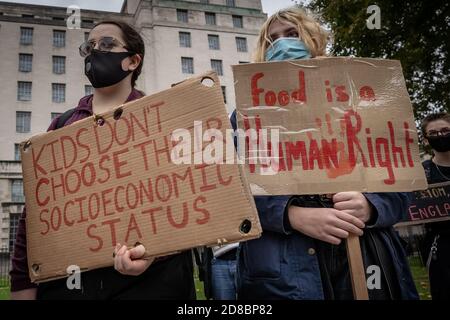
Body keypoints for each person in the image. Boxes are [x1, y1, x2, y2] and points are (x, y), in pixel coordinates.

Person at [231, 6, 418, 300]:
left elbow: (400, 176)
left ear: (312, 38)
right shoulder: (245, 114)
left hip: (364, 252)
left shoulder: (362, 96)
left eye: (292, 34)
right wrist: (290, 215)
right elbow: (230, 186)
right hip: (283, 264)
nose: (281, 43)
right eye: (272, 40)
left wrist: (371, 205)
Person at [10, 20, 195, 300]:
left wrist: (155, 252)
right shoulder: (61, 127)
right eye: (90, 46)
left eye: (107, 44)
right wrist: (22, 286)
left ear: (132, 61)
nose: (96, 50)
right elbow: (35, 216)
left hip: (151, 287)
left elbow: (185, 204)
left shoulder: (160, 120)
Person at [420, 112, 450, 300]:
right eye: (434, 133)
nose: (440, 135)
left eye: (445, 130)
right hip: (442, 248)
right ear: (425, 141)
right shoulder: (422, 172)